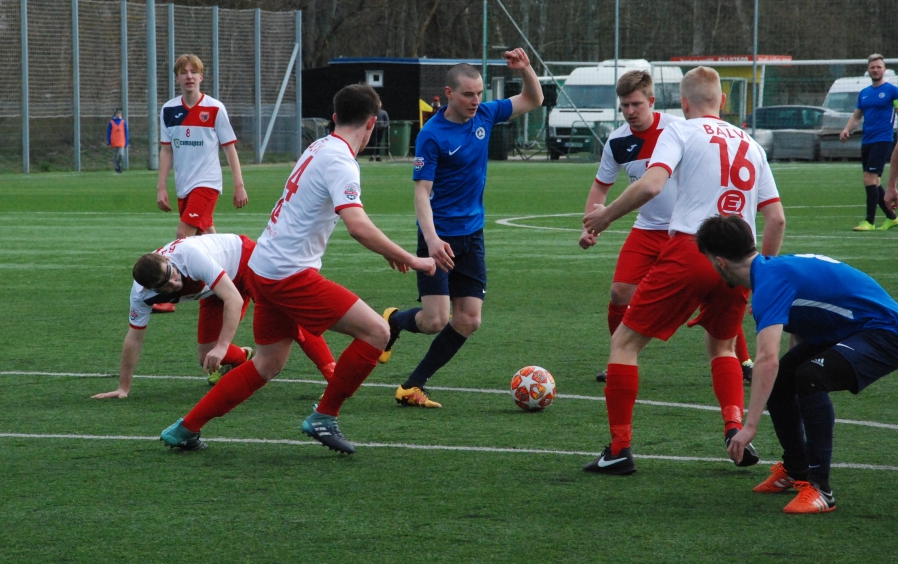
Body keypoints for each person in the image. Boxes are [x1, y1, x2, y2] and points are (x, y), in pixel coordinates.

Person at [159, 84, 436, 454]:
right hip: (288, 273)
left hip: (263, 266)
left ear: (335, 118)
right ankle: (324, 416)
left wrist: (387, 249)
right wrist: (411, 257)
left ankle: (185, 427)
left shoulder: (320, 146)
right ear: (372, 124)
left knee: (267, 364)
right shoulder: (340, 160)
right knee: (376, 332)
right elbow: (357, 224)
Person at [581, 66, 786, 475]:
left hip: (692, 248)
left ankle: (619, 448)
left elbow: (652, 185)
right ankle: (734, 431)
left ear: (684, 104)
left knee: (624, 343)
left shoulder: (680, 130)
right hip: (742, 260)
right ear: (723, 102)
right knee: (723, 348)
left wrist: (606, 218)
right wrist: (762, 278)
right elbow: (777, 219)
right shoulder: (751, 143)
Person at [697, 214, 898, 514]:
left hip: (883, 331)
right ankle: (796, 469)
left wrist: (749, 427)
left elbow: (765, 359)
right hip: (851, 327)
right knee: (786, 381)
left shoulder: (768, 284)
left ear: (721, 262)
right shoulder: (771, 269)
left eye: (710, 260)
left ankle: (821, 489)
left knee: (811, 376)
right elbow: (808, 319)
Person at [378, 48, 544, 408]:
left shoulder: (485, 114)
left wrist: (526, 68)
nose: (476, 100)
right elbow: (421, 193)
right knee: (436, 320)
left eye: (480, 93)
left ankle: (412, 385)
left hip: (473, 235)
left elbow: (533, 98)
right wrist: (433, 239)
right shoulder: (432, 135)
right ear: (450, 93)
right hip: (439, 236)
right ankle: (395, 321)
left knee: (468, 319)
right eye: (468, 94)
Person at [584, 71, 754, 385]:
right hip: (647, 229)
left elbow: (659, 183)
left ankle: (742, 361)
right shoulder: (617, 140)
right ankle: (618, 358)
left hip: (689, 232)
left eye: (636, 104)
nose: (631, 111)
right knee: (620, 291)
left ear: (651, 101)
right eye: (624, 106)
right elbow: (600, 187)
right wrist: (589, 227)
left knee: (718, 289)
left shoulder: (680, 129)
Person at [91, 233, 336, 399]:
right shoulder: (140, 296)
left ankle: (333, 377)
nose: (174, 283)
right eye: (164, 285)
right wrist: (123, 387)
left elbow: (234, 299)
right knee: (205, 356)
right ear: (150, 289)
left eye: (172, 274)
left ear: (168, 260)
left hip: (247, 263)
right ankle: (244, 358)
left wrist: (223, 345)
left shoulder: (189, 255)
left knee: (288, 319)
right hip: (214, 289)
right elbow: (134, 338)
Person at [157, 54, 249, 240]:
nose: (189, 76)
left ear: (201, 77)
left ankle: (175, 270)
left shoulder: (215, 108)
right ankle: (230, 266)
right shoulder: (168, 110)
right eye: (184, 73)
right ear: (177, 79)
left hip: (207, 183)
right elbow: (167, 150)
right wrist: (161, 188)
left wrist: (239, 186)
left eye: (194, 72)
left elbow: (229, 148)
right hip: (184, 186)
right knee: (205, 236)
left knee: (183, 235)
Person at [839, 54, 898, 231]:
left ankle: (869, 222)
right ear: (868, 70)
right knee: (874, 182)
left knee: (869, 178)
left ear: (884, 69)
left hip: (883, 139)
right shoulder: (864, 93)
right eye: (872, 67)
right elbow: (857, 115)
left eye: (878, 67)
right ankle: (891, 217)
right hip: (867, 141)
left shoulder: (892, 91)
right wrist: (846, 129)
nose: (875, 70)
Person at [106, 109, 128, 173]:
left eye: (119, 114)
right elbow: (109, 132)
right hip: (114, 141)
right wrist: (109, 141)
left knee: (121, 154)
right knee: (115, 155)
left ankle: (118, 164)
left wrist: (126, 142)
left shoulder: (123, 123)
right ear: (115, 115)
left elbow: (126, 133)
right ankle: (117, 168)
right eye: (117, 114)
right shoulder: (111, 122)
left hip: (121, 141)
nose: (118, 115)